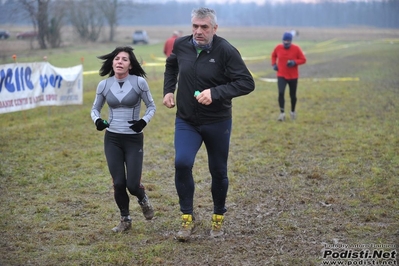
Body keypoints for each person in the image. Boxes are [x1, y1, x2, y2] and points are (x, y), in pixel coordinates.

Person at [162, 7, 255, 241]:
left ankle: (217, 218)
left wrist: (216, 92)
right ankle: (186, 218)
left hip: (217, 121)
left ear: (215, 28)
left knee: (218, 171)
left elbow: (246, 83)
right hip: (187, 120)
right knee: (182, 163)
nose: (198, 31)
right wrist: (168, 91)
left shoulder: (226, 51)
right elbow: (171, 65)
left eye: (204, 27)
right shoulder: (181, 45)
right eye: (195, 26)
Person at [91, 46, 156, 233]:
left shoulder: (139, 83)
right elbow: (95, 109)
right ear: (112, 62)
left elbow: (151, 106)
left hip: (133, 139)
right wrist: (98, 121)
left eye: (124, 59)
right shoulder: (104, 85)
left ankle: (142, 198)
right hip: (112, 138)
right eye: (117, 58)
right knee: (118, 183)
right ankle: (125, 219)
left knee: (132, 185)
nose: (120, 61)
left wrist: (143, 122)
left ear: (130, 65)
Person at [271, 31, 306, 121]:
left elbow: (303, 59)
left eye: (288, 41)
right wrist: (274, 64)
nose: (286, 43)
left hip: (293, 76)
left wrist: (294, 62)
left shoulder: (296, 49)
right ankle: (282, 114)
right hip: (281, 75)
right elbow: (273, 55)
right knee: (281, 92)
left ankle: (292, 112)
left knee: (292, 95)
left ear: (291, 41)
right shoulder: (278, 47)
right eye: (284, 41)